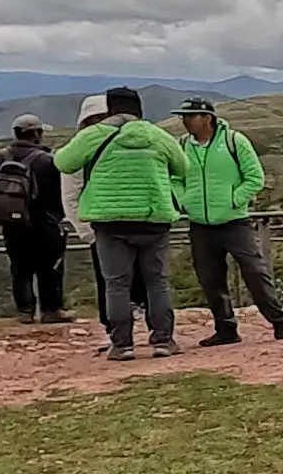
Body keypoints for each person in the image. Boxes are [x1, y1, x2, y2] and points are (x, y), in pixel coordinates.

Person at [55, 86, 188, 361]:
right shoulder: (158, 135)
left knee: (116, 284)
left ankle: (122, 345)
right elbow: (183, 168)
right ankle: (163, 340)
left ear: (110, 108)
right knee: (156, 282)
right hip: (154, 218)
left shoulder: (94, 136)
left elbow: (64, 162)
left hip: (110, 222)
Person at [172, 99, 283, 344]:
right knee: (210, 278)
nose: (184, 121)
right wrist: (184, 199)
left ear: (206, 118)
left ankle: (281, 323)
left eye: (190, 116)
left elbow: (254, 177)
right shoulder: (181, 145)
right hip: (200, 224)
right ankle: (226, 329)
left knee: (254, 272)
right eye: (183, 116)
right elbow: (175, 178)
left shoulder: (234, 141)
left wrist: (234, 199)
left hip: (234, 222)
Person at [61, 94, 143, 336]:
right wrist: (88, 233)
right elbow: (71, 194)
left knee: (121, 280)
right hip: (105, 226)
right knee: (113, 281)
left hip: (118, 222)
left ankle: (123, 331)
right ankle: (117, 329)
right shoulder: (80, 148)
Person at [0, 112, 70, 324]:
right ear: (38, 133)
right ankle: (51, 311)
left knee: (20, 268)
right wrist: (58, 216)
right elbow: (59, 195)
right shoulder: (49, 161)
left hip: (12, 225)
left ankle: (24, 311)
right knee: (50, 267)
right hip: (45, 223)